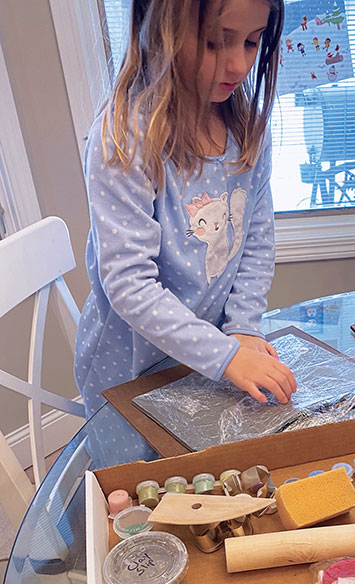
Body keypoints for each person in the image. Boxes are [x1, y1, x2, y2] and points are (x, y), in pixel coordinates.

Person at [74, 0, 296, 418]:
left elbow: (256, 240)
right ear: (161, 32)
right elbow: (129, 284)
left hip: (209, 356)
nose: (239, 66)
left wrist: (243, 328)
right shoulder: (121, 139)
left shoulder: (245, 127)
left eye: (252, 42)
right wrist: (227, 355)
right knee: (144, 482)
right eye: (215, 43)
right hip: (130, 370)